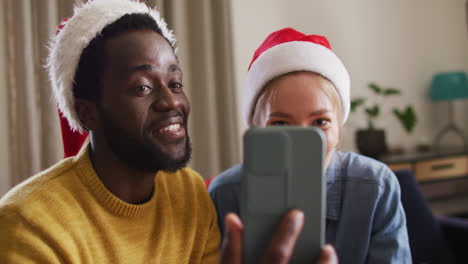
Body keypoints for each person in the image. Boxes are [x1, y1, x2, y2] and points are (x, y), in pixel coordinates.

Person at [0, 1, 338, 263]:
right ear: (88, 112)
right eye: (143, 87)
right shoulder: (30, 225)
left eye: (175, 83)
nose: (171, 101)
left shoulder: (188, 195)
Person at [209, 27, 412, 263]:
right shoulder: (224, 194)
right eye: (280, 124)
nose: (302, 144)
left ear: (339, 129)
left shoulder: (376, 187)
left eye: (320, 122)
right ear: (255, 128)